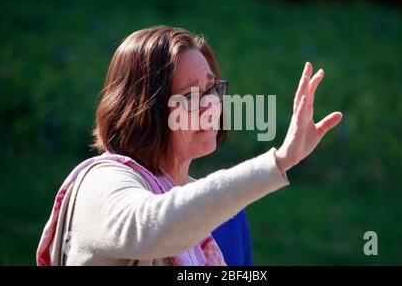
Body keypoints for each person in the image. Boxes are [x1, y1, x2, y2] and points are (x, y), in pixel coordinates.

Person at [36, 25, 342, 266]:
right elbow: (153, 226)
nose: (211, 105)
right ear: (146, 110)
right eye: (193, 96)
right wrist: (279, 161)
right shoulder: (100, 183)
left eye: (212, 88)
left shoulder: (228, 219)